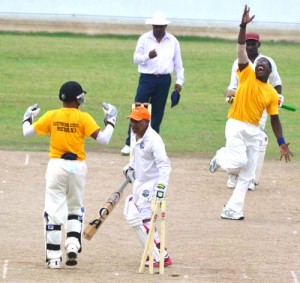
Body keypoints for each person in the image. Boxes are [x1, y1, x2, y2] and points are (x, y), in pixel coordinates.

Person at [209, 5, 293, 220]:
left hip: (254, 131)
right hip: (236, 125)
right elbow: (239, 47)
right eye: (258, 64)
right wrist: (243, 25)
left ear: (269, 70)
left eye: (263, 64)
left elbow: (275, 119)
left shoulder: (271, 93)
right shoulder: (245, 73)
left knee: (248, 175)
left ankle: (233, 209)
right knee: (237, 163)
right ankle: (220, 157)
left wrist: (281, 142)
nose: (259, 65)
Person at [22, 81, 117, 269]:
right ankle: (73, 244)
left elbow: (26, 133)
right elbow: (104, 139)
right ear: (79, 99)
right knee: (75, 208)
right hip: (77, 167)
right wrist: (111, 120)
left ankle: (54, 257)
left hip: (56, 166)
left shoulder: (52, 116)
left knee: (53, 211)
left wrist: (27, 117)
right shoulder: (84, 118)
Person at [224, 31, 283, 191]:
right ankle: (233, 173)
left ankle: (249, 178)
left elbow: (276, 83)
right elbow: (232, 87)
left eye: (253, 43)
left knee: (257, 142)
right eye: (247, 43)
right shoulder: (239, 62)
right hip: (242, 106)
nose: (250, 46)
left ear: (258, 44)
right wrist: (230, 97)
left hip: (261, 108)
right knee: (237, 141)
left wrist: (278, 97)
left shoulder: (268, 61)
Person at [120, 11, 184, 156]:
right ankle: (130, 143)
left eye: (161, 26)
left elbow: (178, 64)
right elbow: (135, 58)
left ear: (165, 26)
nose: (158, 29)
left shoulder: (173, 41)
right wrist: (147, 57)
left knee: (157, 113)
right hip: (147, 78)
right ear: (152, 25)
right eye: (156, 26)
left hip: (164, 79)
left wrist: (179, 82)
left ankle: (151, 146)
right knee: (138, 109)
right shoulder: (144, 39)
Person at [122, 106, 172, 267]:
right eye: (131, 120)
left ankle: (160, 255)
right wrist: (130, 167)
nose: (133, 124)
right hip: (139, 183)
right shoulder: (136, 135)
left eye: (137, 121)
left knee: (141, 218)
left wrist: (161, 188)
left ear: (146, 122)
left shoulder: (154, 140)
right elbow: (137, 157)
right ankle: (158, 253)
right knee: (132, 213)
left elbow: (165, 165)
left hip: (151, 184)